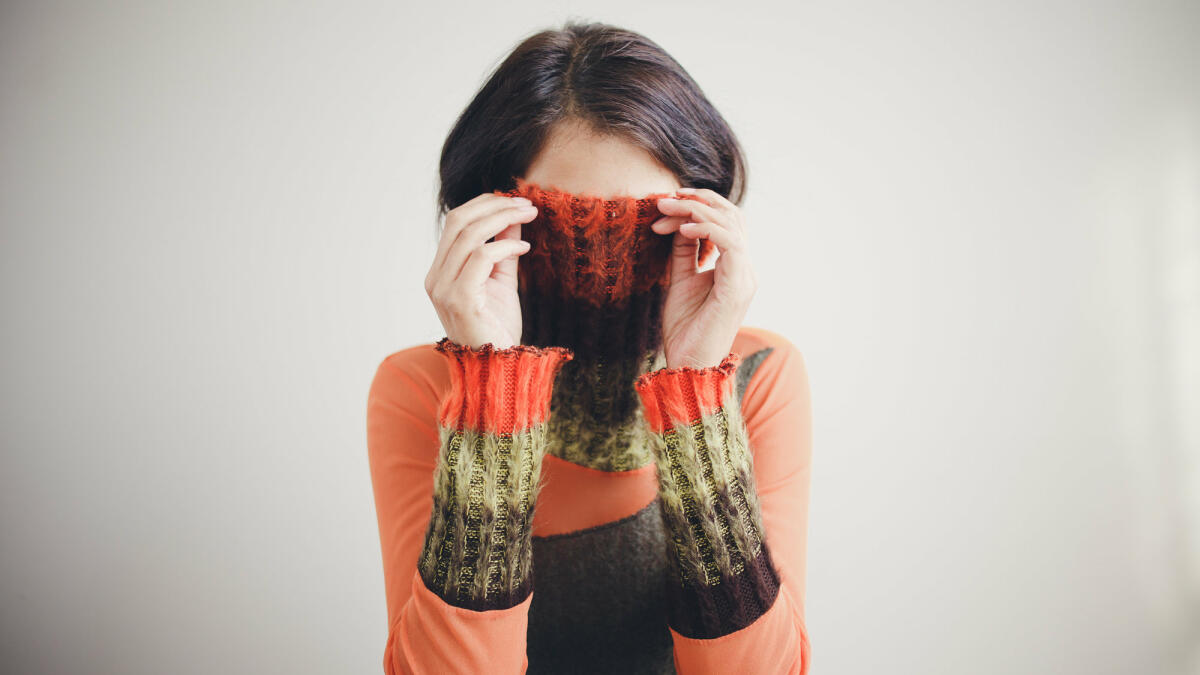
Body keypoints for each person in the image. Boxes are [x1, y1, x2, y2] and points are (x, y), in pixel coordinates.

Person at [367, 20, 812, 674]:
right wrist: (491, 393)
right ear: (491, 220)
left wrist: (694, 389)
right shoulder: (425, 390)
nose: (605, 272)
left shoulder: (756, 378)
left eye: (643, 230)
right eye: (570, 230)